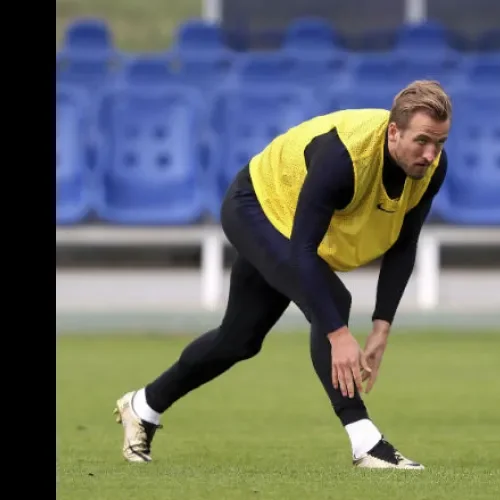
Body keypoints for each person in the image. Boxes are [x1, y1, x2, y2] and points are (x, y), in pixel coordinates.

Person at [113, 80, 452, 469]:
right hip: (254, 205)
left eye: (439, 143)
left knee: (238, 340)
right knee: (332, 302)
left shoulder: (432, 169)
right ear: (394, 131)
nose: (430, 154)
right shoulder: (344, 158)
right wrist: (338, 334)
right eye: (422, 141)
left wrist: (382, 326)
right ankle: (366, 443)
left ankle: (143, 406)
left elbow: (404, 244)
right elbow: (303, 251)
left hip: (289, 222)